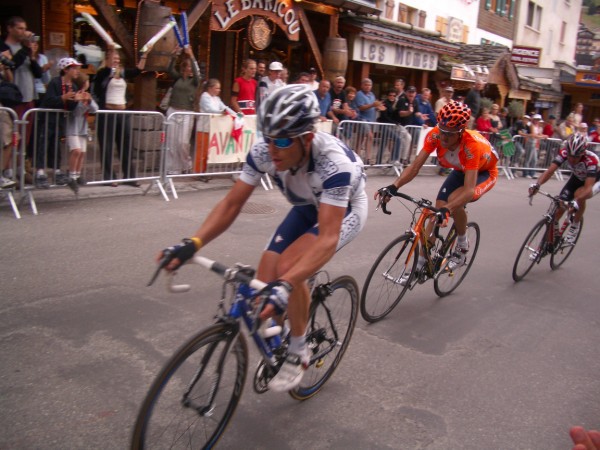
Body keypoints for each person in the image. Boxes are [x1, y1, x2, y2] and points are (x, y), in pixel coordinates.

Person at [157, 84, 368, 392]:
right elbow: (232, 204)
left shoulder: (334, 165)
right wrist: (194, 242)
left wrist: (286, 284)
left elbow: (326, 238)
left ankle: (298, 350)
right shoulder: (265, 151)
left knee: (288, 272)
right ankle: (279, 337)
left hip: (343, 209)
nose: (272, 149)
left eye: (282, 141)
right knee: (265, 277)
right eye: (267, 138)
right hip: (306, 206)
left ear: (307, 138)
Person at [376, 101, 498, 282]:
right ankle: (419, 267)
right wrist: (394, 186)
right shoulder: (435, 135)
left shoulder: (471, 146)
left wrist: (447, 209)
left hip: (484, 172)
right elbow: (415, 166)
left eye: (449, 134)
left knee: (454, 203)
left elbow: (469, 189)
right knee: (436, 211)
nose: (443, 136)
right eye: (441, 130)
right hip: (460, 169)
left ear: (461, 132)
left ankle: (462, 246)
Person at [93, 43, 151, 187]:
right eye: (114, 57)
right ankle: (109, 177)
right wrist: (111, 48)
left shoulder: (123, 73)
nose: (116, 60)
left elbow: (138, 70)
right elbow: (107, 71)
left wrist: (145, 55)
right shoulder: (103, 74)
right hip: (108, 113)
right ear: (107, 59)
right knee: (107, 145)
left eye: (118, 58)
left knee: (126, 145)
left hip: (122, 113)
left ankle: (129, 177)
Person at [528, 133, 599, 245]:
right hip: (577, 177)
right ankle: (550, 242)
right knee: (560, 206)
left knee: (579, 196)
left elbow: (587, 187)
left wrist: (575, 202)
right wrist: (537, 185)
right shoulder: (564, 152)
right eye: (570, 155)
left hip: (594, 181)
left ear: (582, 153)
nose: (571, 159)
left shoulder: (591, 160)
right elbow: (550, 171)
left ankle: (575, 226)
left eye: (576, 157)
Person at [36, 57, 82, 189]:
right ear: (66, 69)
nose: (76, 71)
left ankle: (56, 170)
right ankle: (40, 172)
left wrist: (76, 100)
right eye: (74, 68)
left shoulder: (73, 86)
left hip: (60, 120)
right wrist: (63, 98)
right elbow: (48, 101)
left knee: (56, 146)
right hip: (48, 119)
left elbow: (71, 107)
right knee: (43, 144)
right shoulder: (55, 82)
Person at [164, 46, 200, 175]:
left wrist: (191, 55)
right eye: (188, 67)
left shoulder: (194, 81)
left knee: (183, 142)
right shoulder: (178, 78)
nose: (190, 69)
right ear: (184, 68)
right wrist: (174, 56)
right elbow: (169, 69)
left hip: (186, 112)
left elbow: (198, 75)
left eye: (191, 67)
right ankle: (173, 168)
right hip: (173, 110)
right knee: (172, 141)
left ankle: (186, 164)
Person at [64, 72, 97, 192]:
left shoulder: (86, 95)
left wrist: (89, 101)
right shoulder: (75, 95)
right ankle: (71, 175)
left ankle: (77, 175)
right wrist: (82, 104)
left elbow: (95, 109)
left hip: (83, 127)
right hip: (73, 127)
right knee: (76, 151)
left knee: (82, 152)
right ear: (83, 83)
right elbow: (76, 112)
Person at [197, 78, 237, 174]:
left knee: (207, 152)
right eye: (217, 88)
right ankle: (198, 171)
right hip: (203, 127)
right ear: (210, 88)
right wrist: (221, 112)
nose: (219, 90)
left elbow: (225, 107)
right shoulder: (204, 96)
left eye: (219, 89)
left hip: (212, 128)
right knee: (201, 151)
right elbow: (210, 109)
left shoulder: (217, 99)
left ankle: (204, 171)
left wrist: (236, 114)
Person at [355, 78, 383, 164]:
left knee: (365, 138)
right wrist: (372, 105)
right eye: (366, 85)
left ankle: (367, 158)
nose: (368, 87)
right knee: (367, 137)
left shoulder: (372, 95)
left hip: (371, 120)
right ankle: (359, 157)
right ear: (362, 85)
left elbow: (373, 107)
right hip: (362, 119)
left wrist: (378, 108)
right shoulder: (359, 94)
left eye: (369, 85)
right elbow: (361, 107)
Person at [522, 113, 547, 178]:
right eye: (536, 119)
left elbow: (538, 134)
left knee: (534, 159)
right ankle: (525, 173)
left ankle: (532, 173)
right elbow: (533, 134)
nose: (537, 121)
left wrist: (544, 136)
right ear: (534, 119)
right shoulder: (531, 125)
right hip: (530, 143)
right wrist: (540, 136)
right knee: (528, 159)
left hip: (534, 143)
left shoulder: (537, 126)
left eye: (538, 119)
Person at [30, 39, 52, 106]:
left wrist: (46, 70)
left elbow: (46, 81)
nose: (35, 45)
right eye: (32, 42)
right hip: (28, 91)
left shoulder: (43, 58)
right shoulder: (23, 57)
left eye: (36, 43)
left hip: (40, 91)